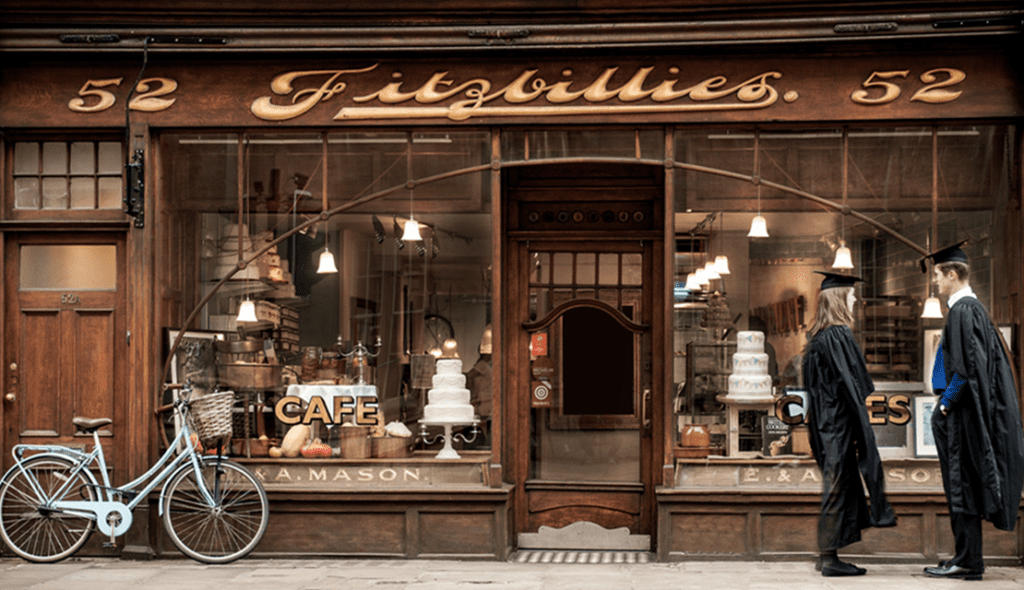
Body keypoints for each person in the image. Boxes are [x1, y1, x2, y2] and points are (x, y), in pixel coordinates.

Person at [921, 242, 1024, 581]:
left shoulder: (964, 311)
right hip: (970, 415)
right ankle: (969, 559)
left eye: (937, 275)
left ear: (952, 274)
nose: (936, 282)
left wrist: (945, 405)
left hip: (964, 417)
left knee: (962, 484)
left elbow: (964, 372)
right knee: (964, 485)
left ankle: (967, 559)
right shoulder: (973, 310)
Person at [802, 271, 896, 577]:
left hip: (825, 421)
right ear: (840, 299)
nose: (855, 299)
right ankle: (829, 558)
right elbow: (858, 384)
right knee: (837, 483)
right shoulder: (838, 335)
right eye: (851, 295)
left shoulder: (817, 338)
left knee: (836, 482)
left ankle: (828, 552)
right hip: (837, 422)